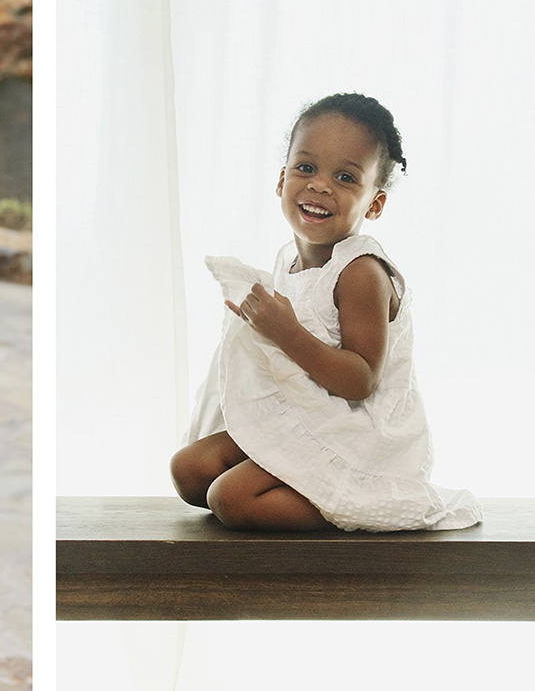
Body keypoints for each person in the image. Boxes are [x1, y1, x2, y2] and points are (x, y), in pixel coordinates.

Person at [170, 93, 481, 533]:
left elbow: (360, 380)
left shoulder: (360, 272)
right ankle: (304, 485)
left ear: (374, 203)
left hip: (357, 434)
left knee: (230, 497)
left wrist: (285, 331)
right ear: (281, 179)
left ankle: (353, 505)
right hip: (312, 416)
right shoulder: (289, 263)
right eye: (306, 168)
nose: (320, 185)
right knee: (189, 469)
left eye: (345, 177)